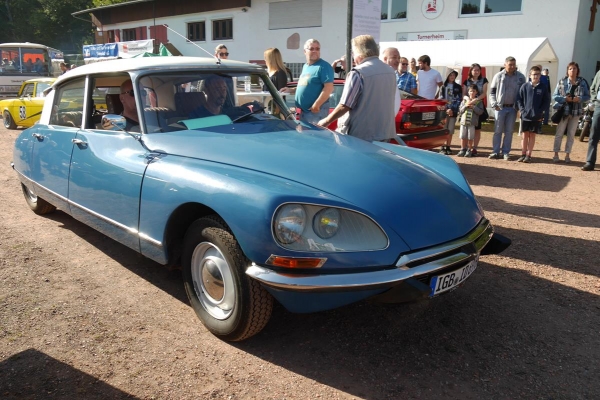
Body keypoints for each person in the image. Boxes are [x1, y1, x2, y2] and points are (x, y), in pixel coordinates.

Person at [316, 35, 396, 142]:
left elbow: (345, 105)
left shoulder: (358, 72)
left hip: (362, 134)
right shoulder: (390, 71)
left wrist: (326, 121)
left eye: (353, 53)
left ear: (360, 53)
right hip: (385, 132)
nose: (353, 57)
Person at [280, 38, 334, 125]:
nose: (315, 51)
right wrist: (291, 90)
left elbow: (329, 88)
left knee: (315, 134)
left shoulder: (324, 66)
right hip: (304, 112)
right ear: (305, 51)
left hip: (315, 112)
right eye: (311, 49)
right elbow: (306, 86)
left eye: (317, 49)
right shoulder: (306, 66)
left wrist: (316, 105)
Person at [488, 56, 527, 160]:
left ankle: (506, 152)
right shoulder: (498, 76)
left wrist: (520, 108)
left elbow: (524, 94)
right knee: (497, 131)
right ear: (505, 65)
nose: (512, 66)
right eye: (510, 65)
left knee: (509, 132)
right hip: (500, 108)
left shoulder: (521, 77)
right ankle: (495, 152)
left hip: (513, 108)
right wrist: (494, 104)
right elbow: (492, 92)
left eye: (514, 64)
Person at [552, 62, 590, 163]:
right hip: (563, 111)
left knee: (571, 134)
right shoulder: (562, 81)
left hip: (576, 112)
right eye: (570, 69)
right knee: (559, 133)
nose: (572, 70)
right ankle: (556, 154)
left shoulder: (582, 82)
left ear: (577, 70)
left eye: (574, 68)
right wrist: (565, 99)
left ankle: (567, 155)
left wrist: (580, 99)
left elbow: (587, 96)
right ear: (567, 71)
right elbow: (554, 96)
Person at [516, 66, 551, 163]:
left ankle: (529, 155)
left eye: (538, 74)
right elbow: (519, 99)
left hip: (536, 116)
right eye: (534, 74)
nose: (536, 76)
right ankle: (523, 154)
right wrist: (522, 110)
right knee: (524, 135)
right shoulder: (525, 86)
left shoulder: (543, 87)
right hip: (525, 115)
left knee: (532, 135)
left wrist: (540, 111)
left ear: (540, 76)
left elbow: (546, 101)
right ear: (530, 75)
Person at [462, 63, 489, 156]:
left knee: (477, 128)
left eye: (478, 70)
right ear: (471, 71)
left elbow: (484, 93)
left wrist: (475, 100)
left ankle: (474, 148)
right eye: (474, 70)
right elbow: (464, 94)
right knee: (466, 128)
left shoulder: (484, 80)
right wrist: (467, 99)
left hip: (478, 106)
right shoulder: (466, 81)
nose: (476, 72)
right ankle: (465, 148)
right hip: (468, 106)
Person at [457, 84, 484, 157]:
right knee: (463, 136)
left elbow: (480, 112)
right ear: (468, 92)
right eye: (470, 91)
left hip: (472, 123)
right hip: (464, 122)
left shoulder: (479, 102)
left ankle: (469, 149)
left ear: (476, 92)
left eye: (473, 91)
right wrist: (465, 106)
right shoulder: (464, 101)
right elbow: (460, 111)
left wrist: (473, 107)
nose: (472, 93)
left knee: (470, 137)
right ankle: (462, 149)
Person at [439, 70, 462, 155]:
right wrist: (446, 109)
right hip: (444, 111)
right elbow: (441, 99)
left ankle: (448, 147)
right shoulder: (443, 86)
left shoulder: (458, 87)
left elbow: (459, 99)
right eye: (450, 75)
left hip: (453, 111)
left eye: (454, 75)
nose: (452, 77)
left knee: (450, 130)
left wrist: (452, 109)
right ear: (447, 76)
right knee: (443, 129)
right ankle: (442, 147)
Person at [582, 69, 600, 171]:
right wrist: (595, 100)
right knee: (593, 134)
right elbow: (592, 88)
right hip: (599, 106)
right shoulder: (599, 73)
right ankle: (589, 162)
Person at [380, 47, 401, 114]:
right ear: (385, 59)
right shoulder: (380, 75)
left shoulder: (392, 74)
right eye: (394, 57)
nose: (397, 61)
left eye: (399, 58)